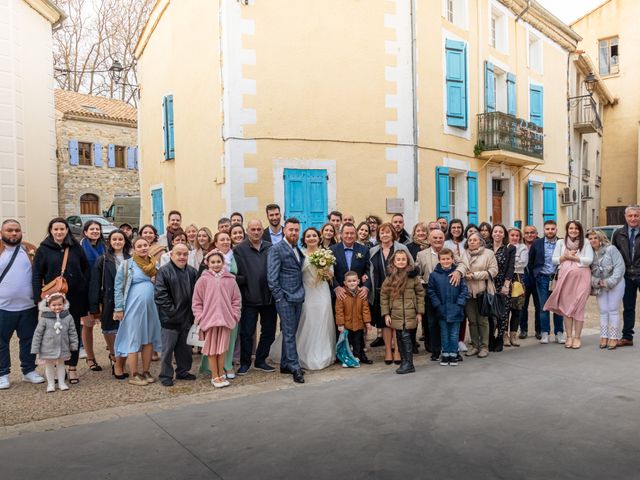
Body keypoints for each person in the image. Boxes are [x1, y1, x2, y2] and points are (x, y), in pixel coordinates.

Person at [32, 217, 89, 384]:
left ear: (67, 230)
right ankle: (58, 368)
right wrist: (38, 299)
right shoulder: (43, 249)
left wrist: (82, 286)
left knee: (73, 332)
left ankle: (72, 368)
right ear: (50, 231)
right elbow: (37, 275)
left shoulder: (75, 247)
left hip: (75, 297)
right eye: (55, 229)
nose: (59, 232)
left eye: (62, 229)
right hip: (53, 299)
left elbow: (86, 268)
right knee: (54, 333)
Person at [272, 227, 336, 370]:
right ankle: (302, 354)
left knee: (323, 320)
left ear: (319, 238)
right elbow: (295, 272)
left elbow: (331, 275)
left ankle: (322, 354)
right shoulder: (300, 253)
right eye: (308, 236)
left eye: (314, 235)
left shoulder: (326, 254)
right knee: (307, 320)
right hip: (306, 291)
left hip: (322, 291)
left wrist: (324, 269)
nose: (311, 238)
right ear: (304, 239)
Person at [0, 219, 45, 389]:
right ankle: (3, 373)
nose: (13, 233)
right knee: (1, 341)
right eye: (9, 230)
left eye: (17, 230)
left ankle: (29, 371)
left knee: (28, 340)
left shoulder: (29, 249)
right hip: (3, 307)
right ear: (2, 232)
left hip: (28, 306)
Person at [113, 237, 162, 386]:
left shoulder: (154, 264)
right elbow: (118, 287)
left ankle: (145, 371)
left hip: (151, 308)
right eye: (139, 246)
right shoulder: (127, 265)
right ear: (134, 249)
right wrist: (119, 308)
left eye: (145, 245)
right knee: (133, 338)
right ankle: (134, 373)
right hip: (133, 307)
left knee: (148, 339)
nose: (143, 248)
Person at [192, 250, 242, 388]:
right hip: (209, 322)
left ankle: (221, 374)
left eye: (218, 262)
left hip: (225, 321)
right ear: (207, 263)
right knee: (211, 350)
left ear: (223, 263)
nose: (215, 264)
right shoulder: (203, 280)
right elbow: (197, 302)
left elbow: (236, 300)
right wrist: (201, 318)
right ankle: (214, 375)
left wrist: (234, 316)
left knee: (222, 350)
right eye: (212, 262)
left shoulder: (230, 280)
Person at [234, 220, 277, 375]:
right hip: (249, 298)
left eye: (259, 229)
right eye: (253, 229)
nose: (257, 232)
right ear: (247, 231)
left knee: (269, 331)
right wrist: (244, 281)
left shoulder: (270, 247)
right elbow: (235, 273)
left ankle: (260, 360)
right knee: (247, 332)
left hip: (269, 298)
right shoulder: (239, 249)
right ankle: (245, 362)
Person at [266, 218, 306, 384]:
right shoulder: (276, 249)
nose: (294, 233)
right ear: (284, 230)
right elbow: (272, 278)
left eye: (297, 230)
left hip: (298, 296)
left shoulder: (297, 248)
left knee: (290, 332)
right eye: (291, 230)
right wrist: (280, 298)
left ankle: (285, 364)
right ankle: (295, 368)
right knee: (289, 333)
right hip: (285, 299)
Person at [88, 229, 131, 379]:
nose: (118, 242)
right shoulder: (103, 259)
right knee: (110, 330)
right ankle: (113, 355)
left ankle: (121, 361)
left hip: (128, 299)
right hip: (109, 300)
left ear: (125, 241)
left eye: (120, 239)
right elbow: (94, 283)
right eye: (114, 239)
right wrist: (94, 306)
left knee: (125, 331)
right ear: (110, 242)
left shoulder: (131, 258)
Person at [544, 221, 593, 349]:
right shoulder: (561, 243)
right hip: (565, 279)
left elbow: (589, 260)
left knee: (578, 307)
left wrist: (575, 258)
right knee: (566, 309)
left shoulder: (585, 242)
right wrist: (565, 256)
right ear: (567, 229)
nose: (573, 230)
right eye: (571, 228)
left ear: (580, 230)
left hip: (583, 279)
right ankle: (569, 337)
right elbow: (554, 260)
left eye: (576, 228)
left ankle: (577, 337)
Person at [154, 244, 198, 386]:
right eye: (179, 254)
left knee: (185, 349)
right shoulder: (164, 271)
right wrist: (173, 312)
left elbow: (198, 294)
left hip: (187, 317)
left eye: (185, 254)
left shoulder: (192, 271)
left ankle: (183, 372)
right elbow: (160, 295)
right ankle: (166, 375)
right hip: (170, 319)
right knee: (167, 350)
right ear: (172, 254)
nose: (182, 257)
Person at [368, 222, 412, 363]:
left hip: (399, 292)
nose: (384, 235)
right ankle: (388, 350)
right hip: (381, 293)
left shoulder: (402, 248)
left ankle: (398, 351)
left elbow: (411, 266)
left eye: (387, 232)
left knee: (397, 323)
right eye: (382, 233)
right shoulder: (373, 251)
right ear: (378, 235)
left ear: (393, 233)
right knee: (385, 323)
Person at [451, 232, 498, 358]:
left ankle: (484, 347)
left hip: (482, 290)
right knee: (472, 320)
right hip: (468, 291)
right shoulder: (464, 253)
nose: (472, 242)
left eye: (475, 240)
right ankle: (475, 345)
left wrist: (475, 275)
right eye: (470, 240)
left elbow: (494, 271)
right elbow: (461, 265)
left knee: (482, 320)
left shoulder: (488, 253)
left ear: (480, 242)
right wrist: (459, 272)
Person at [380, 250, 424, 374]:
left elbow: (420, 294)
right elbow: (384, 295)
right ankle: (405, 361)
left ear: (408, 261)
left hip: (410, 313)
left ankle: (409, 363)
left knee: (406, 338)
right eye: (398, 259)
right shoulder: (390, 278)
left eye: (403, 259)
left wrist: (419, 312)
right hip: (396, 314)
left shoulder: (413, 277)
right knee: (399, 338)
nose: (401, 262)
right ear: (393, 262)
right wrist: (386, 314)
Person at [427, 249, 469, 366]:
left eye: (448, 259)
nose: (446, 261)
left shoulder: (458, 274)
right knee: (444, 333)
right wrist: (437, 305)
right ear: (439, 260)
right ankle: (445, 353)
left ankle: (454, 354)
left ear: (452, 259)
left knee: (454, 333)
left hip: (456, 310)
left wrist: (459, 304)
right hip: (442, 310)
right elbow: (431, 291)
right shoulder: (434, 275)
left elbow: (464, 290)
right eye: (443, 259)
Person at [31, 293, 78, 392]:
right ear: (49, 305)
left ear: (64, 304)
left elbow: (72, 332)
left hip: (63, 346)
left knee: (61, 365)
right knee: (49, 366)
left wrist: (74, 344)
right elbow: (38, 333)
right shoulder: (44, 318)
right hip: (47, 347)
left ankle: (61, 383)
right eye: (54, 305)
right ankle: (51, 384)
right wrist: (35, 348)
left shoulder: (68, 317)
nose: (57, 307)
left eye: (59, 304)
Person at [528, 220, 565, 344]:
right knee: (544, 307)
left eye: (552, 229)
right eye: (548, 229)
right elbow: (531, 262)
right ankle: (545, 333)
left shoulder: (562, 243)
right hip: (542, 278)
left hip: (557, 278)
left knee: (558, 307)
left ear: (556, 230)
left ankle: (559, 333)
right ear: (544, 230)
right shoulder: (537, 243)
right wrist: (536, 275)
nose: (550, 231)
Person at [588, 229, 626, 350]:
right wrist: (596, 282)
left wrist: (609, 282)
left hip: (616, 283)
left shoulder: (611, 249)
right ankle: (604, 336)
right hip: (600, 285)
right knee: (603, 310)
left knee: (613, 309)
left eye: (595, 238)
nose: (593, 240)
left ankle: (614, 337)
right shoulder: (589, 253)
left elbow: (620, 267)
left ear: (601, 239)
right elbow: (587, 272)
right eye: (590, 238)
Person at [611, 204, 640, 346]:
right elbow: (613, 256)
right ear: (625, 217)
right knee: (628, 307)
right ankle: (627, 337)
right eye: (630, 215)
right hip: (626, 276)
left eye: (636, 215)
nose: (633, 218)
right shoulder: (618, 233)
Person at [79, 220, 106, 370]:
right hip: (87, 291)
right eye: (92, 229)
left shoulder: (104, 247)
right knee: (88, 325)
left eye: (97, 229)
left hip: (103, 291)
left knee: (108, 325)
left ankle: (113, 354)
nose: (95, 231)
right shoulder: (79, 247)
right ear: (85, 232)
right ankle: (90, 358)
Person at [416, 229, 446, 361]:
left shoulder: (450, 252)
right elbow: (417, 274)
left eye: (440, 237)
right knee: (432, 322)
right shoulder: (421, 255)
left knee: (446, 321)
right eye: (435, 238)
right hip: (430, 292)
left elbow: (460, 265)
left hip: (447, 292)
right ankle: (435, 349)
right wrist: (425, 283)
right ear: (429, 239)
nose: (438, 240)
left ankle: (448, 347)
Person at [335, 271, 372, 364]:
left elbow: (365, 309)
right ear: (345, 283)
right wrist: (340, 324)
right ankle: (348, 358)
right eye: (349, 281)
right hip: (347, 325)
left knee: (359, 342)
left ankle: (359, 356)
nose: (352, 283)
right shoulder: (342, 295)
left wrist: (367, 322)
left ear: (358, 281)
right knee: (348, 342)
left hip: (359, 324)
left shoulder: (361, 294)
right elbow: (339, 311)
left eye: (354, 281)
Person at [489, 224, 515, 352]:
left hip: (502, 284)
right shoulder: (486, 247)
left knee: (503, 313)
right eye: (495, 231)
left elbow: (510, 268)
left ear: (504, 234)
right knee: (489, 312)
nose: (497, 234)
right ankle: (490, 338)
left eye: (500, 232)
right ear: (492, 233)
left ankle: (500, 337)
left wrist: (506, 284)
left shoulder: (509, 249)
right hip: (488, 284)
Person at [520, 225, 541, 339]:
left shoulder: (540, 244)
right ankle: (523, 330)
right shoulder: (519, 246)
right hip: (523, 279)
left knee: (539, 306)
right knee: (523, 306)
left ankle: (539, 330)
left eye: (532, 232)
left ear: (536, 233)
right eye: (527, 233)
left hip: (537, 279)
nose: (529, 235)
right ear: (524, 234)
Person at [507, 228, 528, 347]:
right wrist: (515, 259)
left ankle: (513, 335)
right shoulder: (505, 247)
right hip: (505, 278)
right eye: (512, 235)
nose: (514, 237)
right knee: (505, 309)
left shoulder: (523, 248)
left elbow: (523, 263)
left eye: (517, 235)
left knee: (516, 308)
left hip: (518, 278)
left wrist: (510, 261)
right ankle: (504, 334)